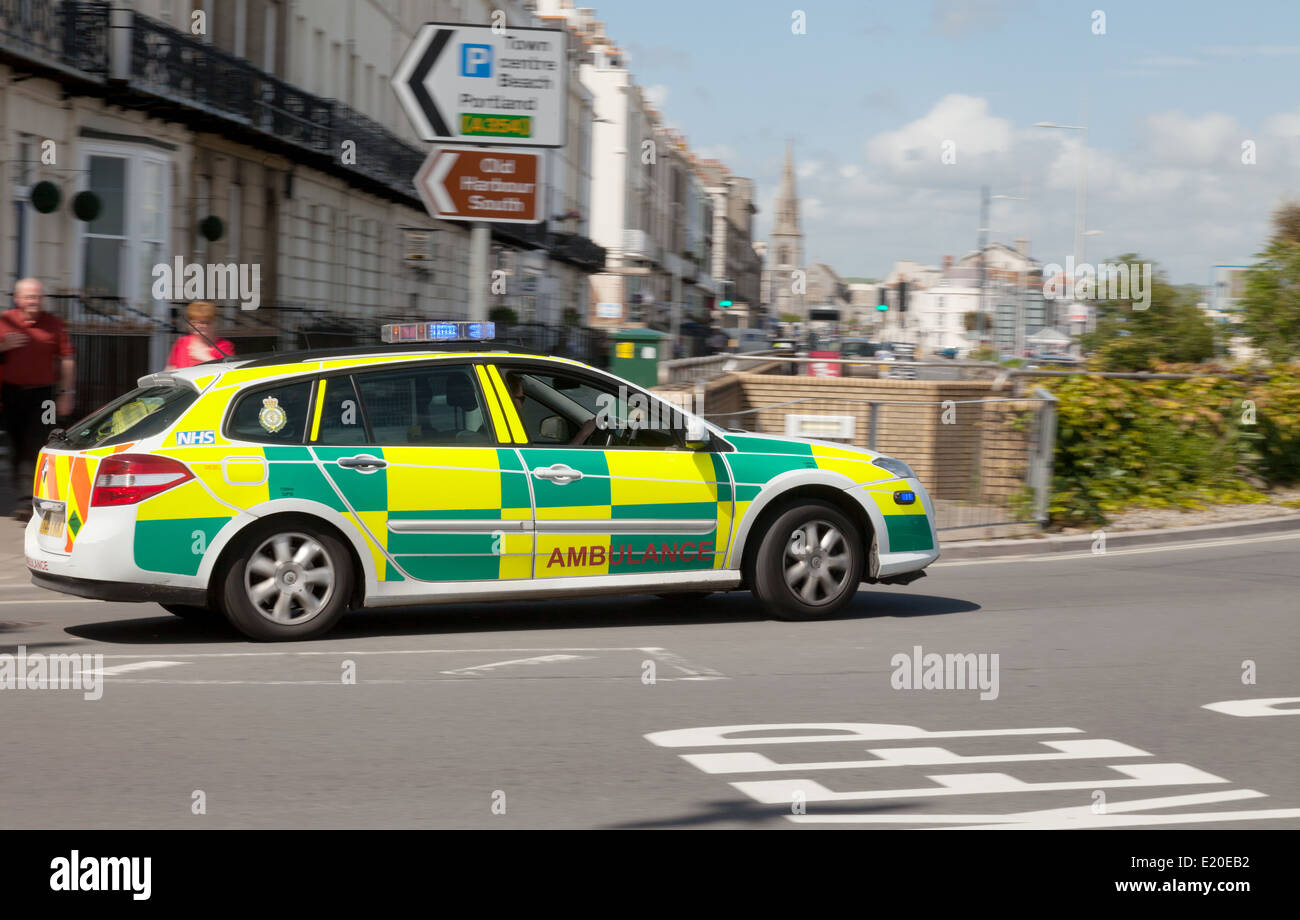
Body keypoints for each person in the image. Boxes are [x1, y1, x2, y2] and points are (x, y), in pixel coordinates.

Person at [0, 278, 75, 519]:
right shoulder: (5, 321)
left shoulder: (53, 323)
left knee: (42, 440)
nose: (35, 301)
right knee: (16, 444)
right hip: (11, 393)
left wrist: (67, 393)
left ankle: (33, 497)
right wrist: (4, 345)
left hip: (45, 395)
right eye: (30, 297)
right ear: (18, 298)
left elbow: (66, 359)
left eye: (38, 297)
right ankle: (23, 494)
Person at [166, 301, 234, 369]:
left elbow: (229, 373)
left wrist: (207, 359)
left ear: (214, 323)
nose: (198, 326)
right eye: (194, 322)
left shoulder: (224, 346)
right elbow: (170, 369)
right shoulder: (181, 342)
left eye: (204, 322)